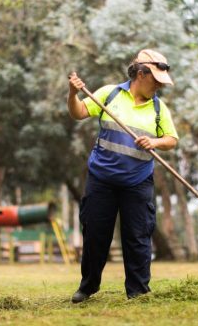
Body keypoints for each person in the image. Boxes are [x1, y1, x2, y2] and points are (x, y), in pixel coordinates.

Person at [66, 49, 179, 303]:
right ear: (141, 73)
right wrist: (73, 93)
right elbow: (79, 113)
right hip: (101, 179)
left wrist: (154, 142)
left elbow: (172, 140)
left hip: (137, 182)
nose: (160, 86)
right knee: (95, 234)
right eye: (157, 80)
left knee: (138, 237)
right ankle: (88, 287)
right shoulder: (110, 94)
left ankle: (138, 293)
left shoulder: (159, 108)